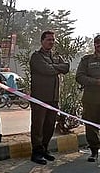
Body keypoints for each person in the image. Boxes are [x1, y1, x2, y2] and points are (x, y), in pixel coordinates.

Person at [29, 30, 70, 165]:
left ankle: (45, 149)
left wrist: (54, 67)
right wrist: (56, 68)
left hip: (53, 98)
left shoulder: (56, 56)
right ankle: (36, 152)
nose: (51, 42)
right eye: (48, 40)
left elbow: (66, 67)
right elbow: (46, 70)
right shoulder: (36, 57)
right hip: (40, 98)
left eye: (53, 40)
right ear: (42, 41)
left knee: (49, 126)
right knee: (38, 126)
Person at [76, 34, 100, 162]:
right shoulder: (87, 60)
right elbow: (79, 76)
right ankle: (94, 151)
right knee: (91, 126)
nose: (99, 45)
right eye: (97, 43)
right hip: (91, 98)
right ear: (94, 45)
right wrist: (96, 82)